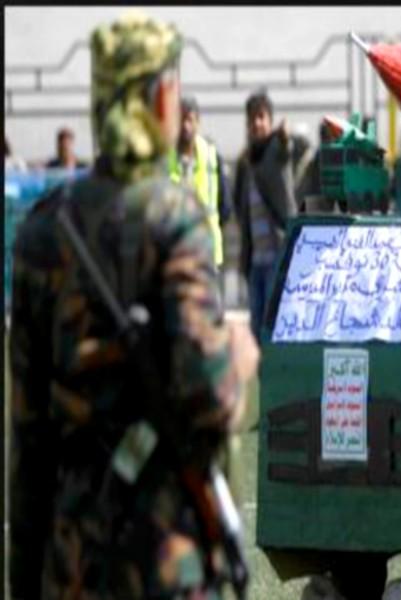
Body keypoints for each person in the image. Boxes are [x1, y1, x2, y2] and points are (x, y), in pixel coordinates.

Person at [9, 11, 260, 600]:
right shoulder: (175, 222)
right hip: (164, 558)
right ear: (162, 96)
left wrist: (24, 577)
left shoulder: (43, 234)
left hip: (72, 561)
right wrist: (241, 355)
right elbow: (210, 393)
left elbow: (28, 442)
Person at [232, 88, 298, 337]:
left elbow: (285, 148)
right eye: (252, 119)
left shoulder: (276, 150)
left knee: (274, 322)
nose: (257, 123)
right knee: (256, 322)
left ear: (270, 121)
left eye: (262, 117)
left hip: (276, 256)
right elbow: (240, 208)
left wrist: (283, 137)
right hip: (255, 260)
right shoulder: (244, 161)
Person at [168, 96, 231, 276]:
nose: (185, 126)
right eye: (181, 120)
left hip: (207, 254)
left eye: (190, 120)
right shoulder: (166, 160)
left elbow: (225, 207)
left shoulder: (211, 156)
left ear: (197, 122)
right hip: (176, 256)